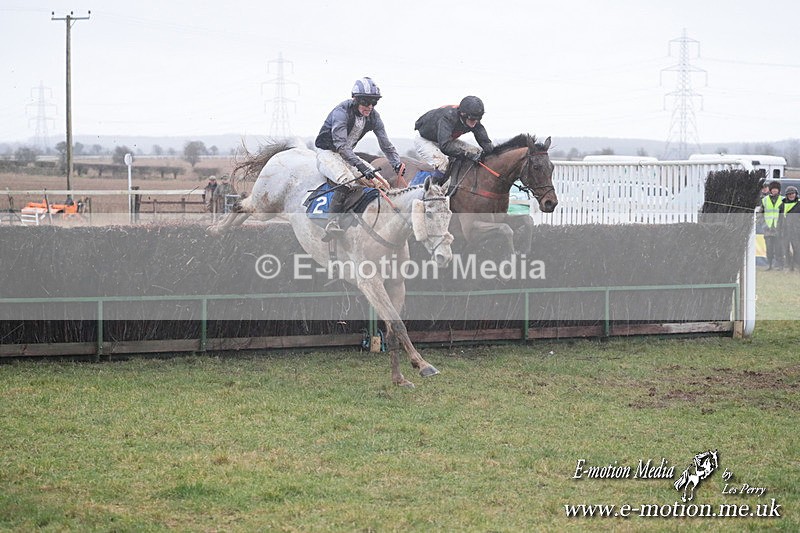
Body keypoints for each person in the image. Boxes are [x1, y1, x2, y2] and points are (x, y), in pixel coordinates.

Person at [314, 77, 405, 242]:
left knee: (382, 184)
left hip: (348, 155)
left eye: (374, 103)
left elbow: (385, 144)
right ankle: (332, 221)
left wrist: (395, 162)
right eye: (366, 102)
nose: (370, 107)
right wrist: (362, 168)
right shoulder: (341, 112)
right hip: (328, 153)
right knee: (347, 180)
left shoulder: (374, 117)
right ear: (355, 99)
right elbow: (341, 146)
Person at [413, 95, 494, 177]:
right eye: (472, 119)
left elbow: (485, 142)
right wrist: (468, 155)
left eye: (477, 119)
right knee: (443, 164)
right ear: (463, 114)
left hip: (446, 140)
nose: (474, 123)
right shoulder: (448, 118)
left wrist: (494, 154)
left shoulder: (472, 117)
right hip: (425, 140)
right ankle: (434, 187)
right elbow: (445, 146)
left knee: (476, 152)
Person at [760, 180, 784, 270]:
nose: (774, 191)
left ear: (779, 190)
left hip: (779, 229)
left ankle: (779, 265)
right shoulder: (764, 200)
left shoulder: (783, 200)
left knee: (779, 248)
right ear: (770, 190)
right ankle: (769, 265)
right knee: (769, 248)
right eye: (773, 189)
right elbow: (760, 214)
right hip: (768, 229)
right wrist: (764, 224)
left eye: (776, 189)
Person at [782, 185, 799, 271]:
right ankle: (788, 266)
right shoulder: (782, 204)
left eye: (793, 194)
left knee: (797, 249)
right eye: (789, 194)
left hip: (797, 230)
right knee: (786, 249)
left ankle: (796, 266)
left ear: (796, 194)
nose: (791, 195)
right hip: (786, 230)